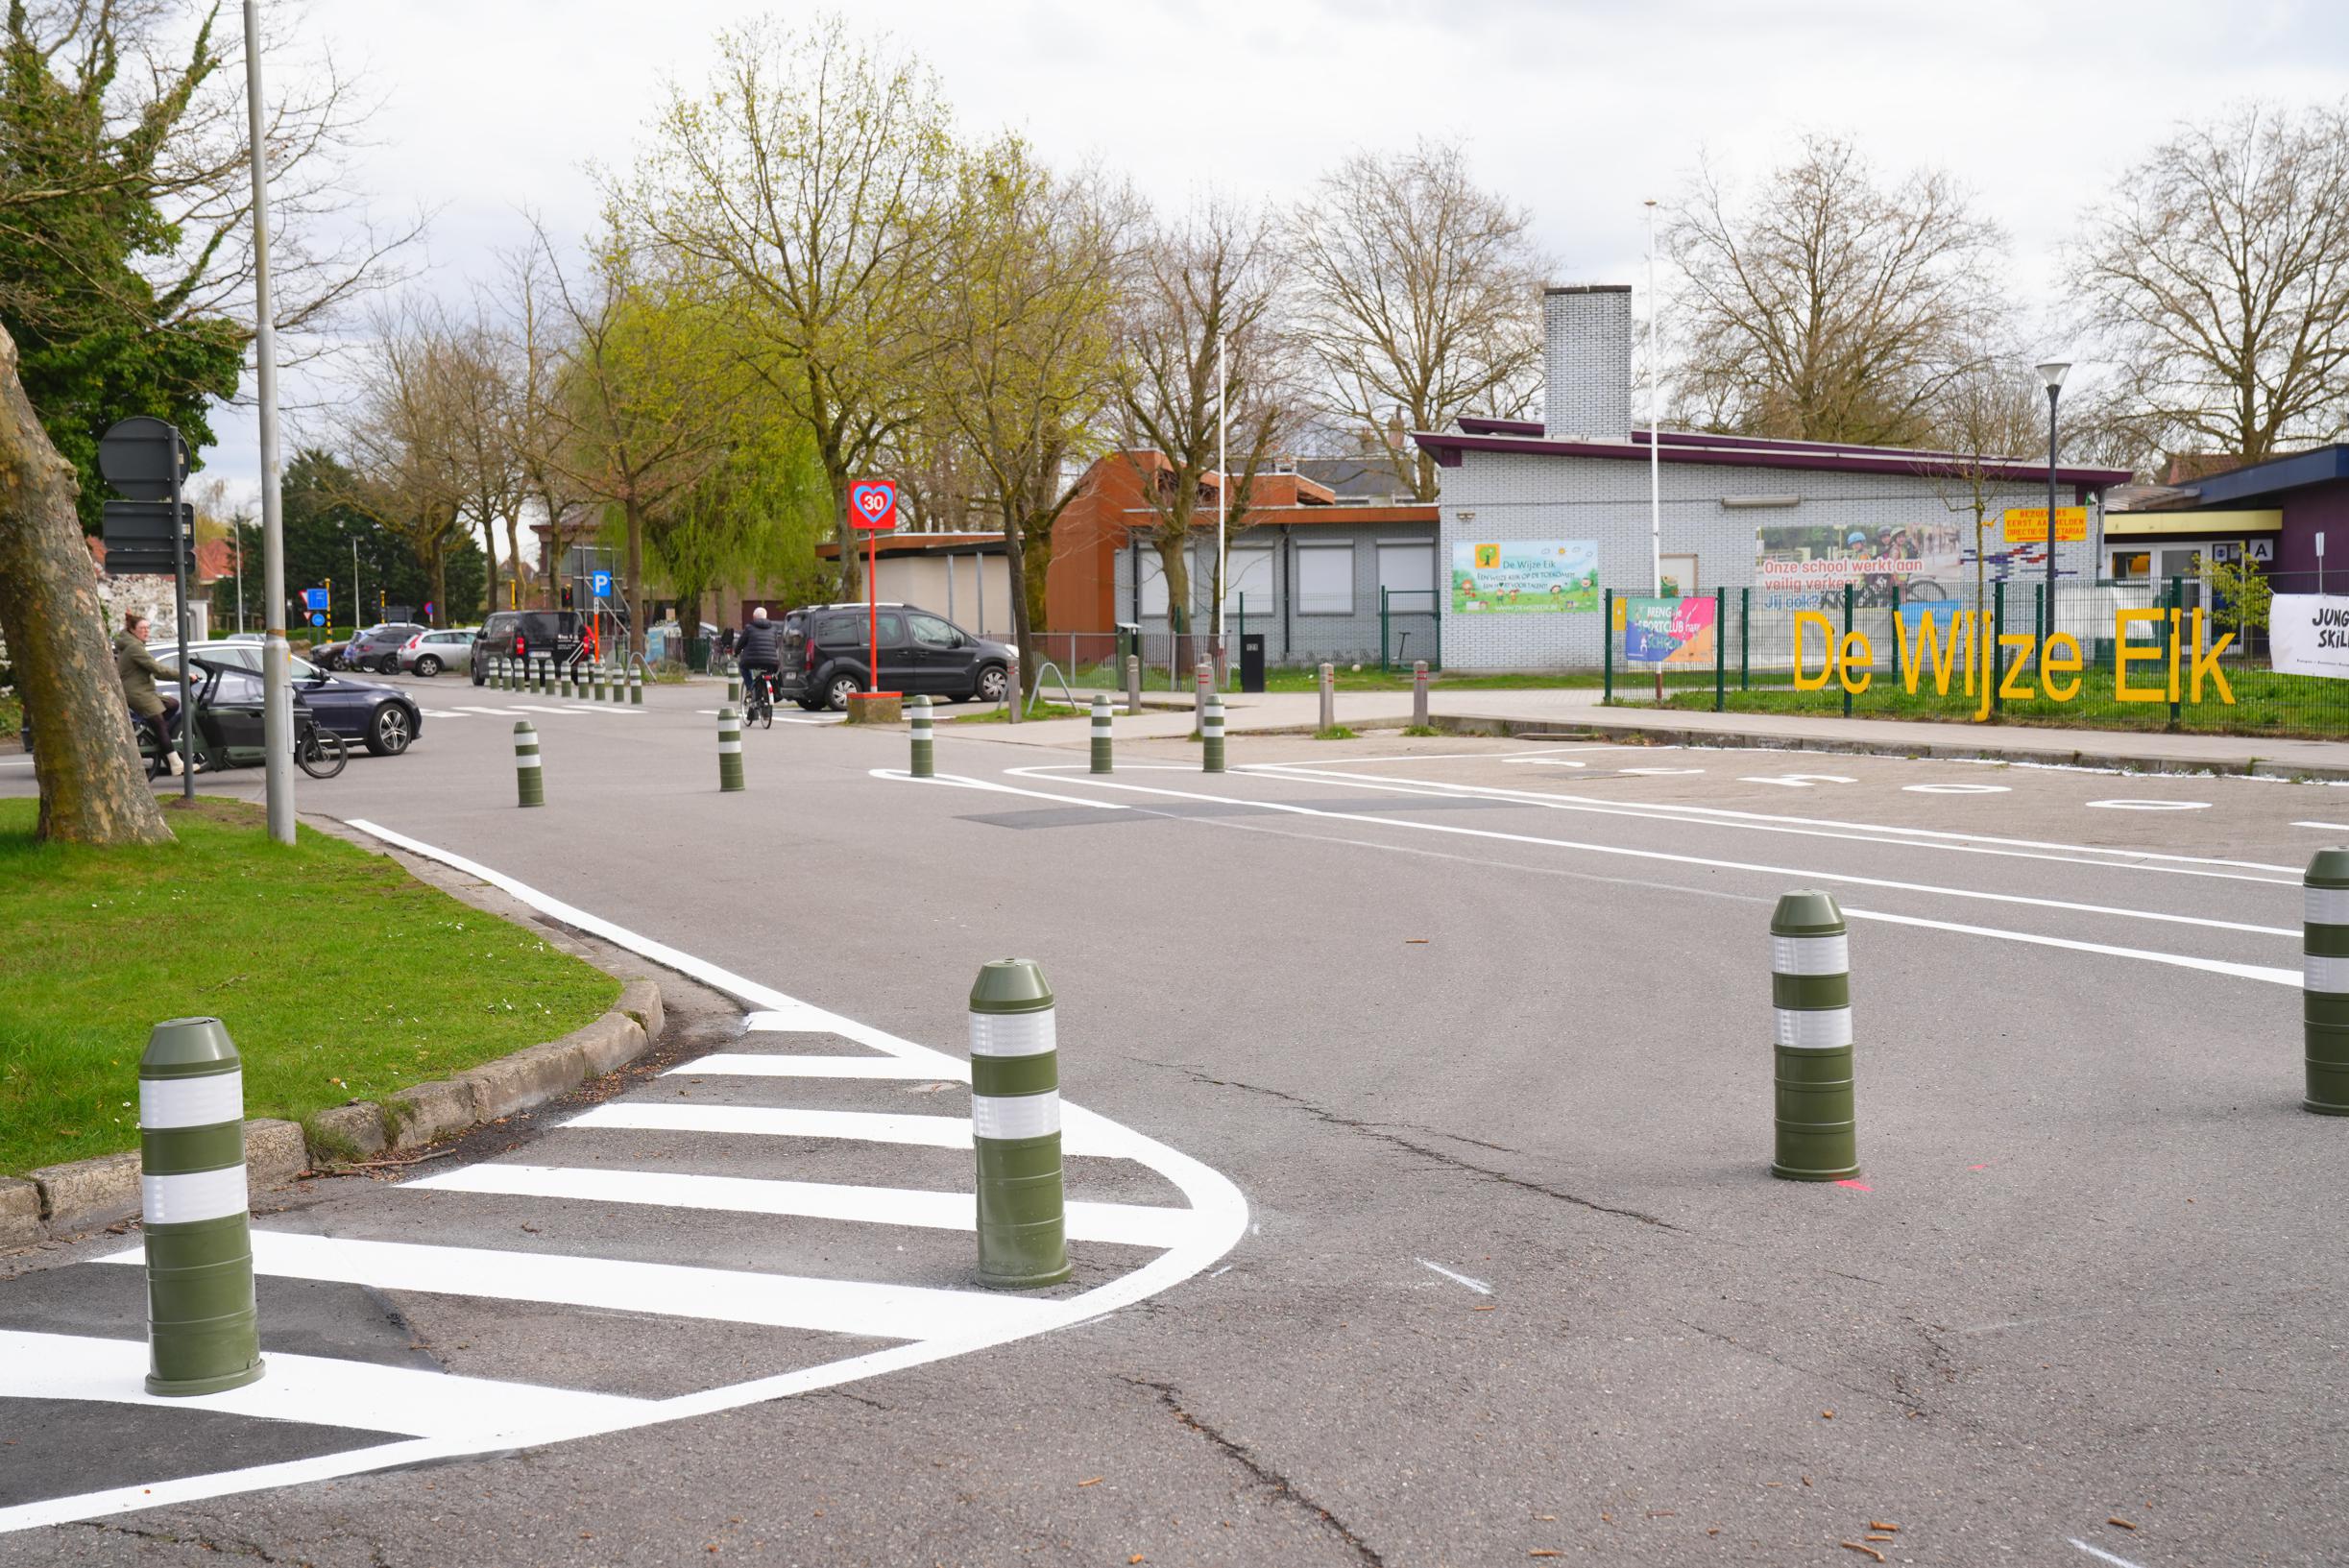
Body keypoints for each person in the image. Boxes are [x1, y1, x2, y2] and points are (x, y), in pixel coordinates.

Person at [114, 611, 182, 775]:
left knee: (173, 704)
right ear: (132, 630)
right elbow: (158, 670)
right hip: (137, 693)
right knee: (159, 722)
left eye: (147, 628)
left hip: (144, 690)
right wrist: (184, 675)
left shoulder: (132, 644)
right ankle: (175, 764)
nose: (146, 631)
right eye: (142, 628)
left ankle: (158, 735)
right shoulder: (134, 647)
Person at [736, 607, 781, 706]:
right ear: (766, 617)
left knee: (743, 668)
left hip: (752, 661)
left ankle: (750, 689)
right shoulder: (773, 629)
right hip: (771, 662)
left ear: (754, 617)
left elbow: (740, 643)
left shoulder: (749, 628)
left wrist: (736, 652)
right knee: (769, 673)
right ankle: (766, 697)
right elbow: (776, 645)